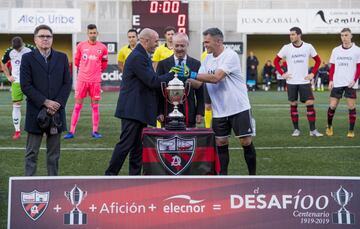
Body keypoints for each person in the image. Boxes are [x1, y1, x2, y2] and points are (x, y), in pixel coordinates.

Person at [177, 28, 256, 175]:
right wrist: (184, 78)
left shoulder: (230, 55)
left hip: (238, 107)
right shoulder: (207, 59)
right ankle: (223, 177)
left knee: (245, 141)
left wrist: (192, 74)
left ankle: (253, 176)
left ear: (218, 41)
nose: (204, 45)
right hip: (219, 110)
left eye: (207, 42)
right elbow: (199, 83)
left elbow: (216, 78)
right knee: (221, 142)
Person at [105, 28, 176, 176]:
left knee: (137, 147)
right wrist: (172, 75)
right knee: (125, 145)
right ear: (146, 40)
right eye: (156, 40)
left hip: (138, 110)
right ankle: (110, 175)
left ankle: (135, 177)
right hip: (133, 110)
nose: (157, 43)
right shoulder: (138, 57)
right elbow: (152, 81)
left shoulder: (141, 55)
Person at [20, 24, 72, 176]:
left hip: (56, 113)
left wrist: (57, 104)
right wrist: (45, 102)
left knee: (54, 155)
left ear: (52, 39)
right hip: (36, 112)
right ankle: (28, 183)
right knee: (31, 153)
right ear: (35, 40)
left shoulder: (62, 57)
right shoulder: (27, 58)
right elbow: (25, 85)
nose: (45, 39)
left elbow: (67, 83)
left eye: (48, 36)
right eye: (41, 36)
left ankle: (53, 184)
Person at [274, 27, 323, 137]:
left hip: (304, 81)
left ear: (299, 35)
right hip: (291, 82)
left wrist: (312, 74)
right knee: (293, 104)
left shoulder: (308, 46)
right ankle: (296, 129)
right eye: (290, 34)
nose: (291, 36)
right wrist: (283, 74)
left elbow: (318, 60)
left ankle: (313, 130)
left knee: (310, 103)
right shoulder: (286, 48)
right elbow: (276, 61)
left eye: (293, 34)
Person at [64, 24, 108, 139]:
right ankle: (71, 131)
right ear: (87, 34)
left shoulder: (103, 47)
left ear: (97, 33)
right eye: (90, 33)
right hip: (82, 80)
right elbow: (77, 61)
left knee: (95, 106)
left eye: (94, 33)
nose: (92, 35)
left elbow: (104, 63)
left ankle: (95, 131)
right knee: (78, 106)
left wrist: (96, 72)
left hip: (95, 81)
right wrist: (86, 71)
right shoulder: (81, 46)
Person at [156, 32, 204, 128]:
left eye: (182, 45)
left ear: (187, 45)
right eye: (176, 45)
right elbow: (158, 90)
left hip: (189, 111)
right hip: (167, 111)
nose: (179, 48)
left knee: (188, 141)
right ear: (172, 45)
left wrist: (200, 112)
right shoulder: (163, 64)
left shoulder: (196, 64)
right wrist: (159, 111)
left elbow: (200, 91)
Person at [326, 28, 360, 138]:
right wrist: (331, 80)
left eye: (346, 35)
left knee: (351, 107)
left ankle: (351, 130)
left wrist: (354, 80)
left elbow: (359, 67)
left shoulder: (357, 50)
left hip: (351, 83)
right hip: (337, 82)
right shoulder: (336, 50)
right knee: (332, 106)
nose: (344, 38)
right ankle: (329, 126)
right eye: (342, 35)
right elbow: (332, 67)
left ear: (351, 36)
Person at [1, 37, 33, 140]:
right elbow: (3, 63)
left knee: (36, 104)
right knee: (16, 106)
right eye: (16, 49)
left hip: (30, 82)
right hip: (16, 83)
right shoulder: (9, 51)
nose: (18, 51)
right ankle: (17, 131)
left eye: (19, 49)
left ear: (22, 44)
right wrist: (8, 76)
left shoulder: (31, 48)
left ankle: (40, 128)